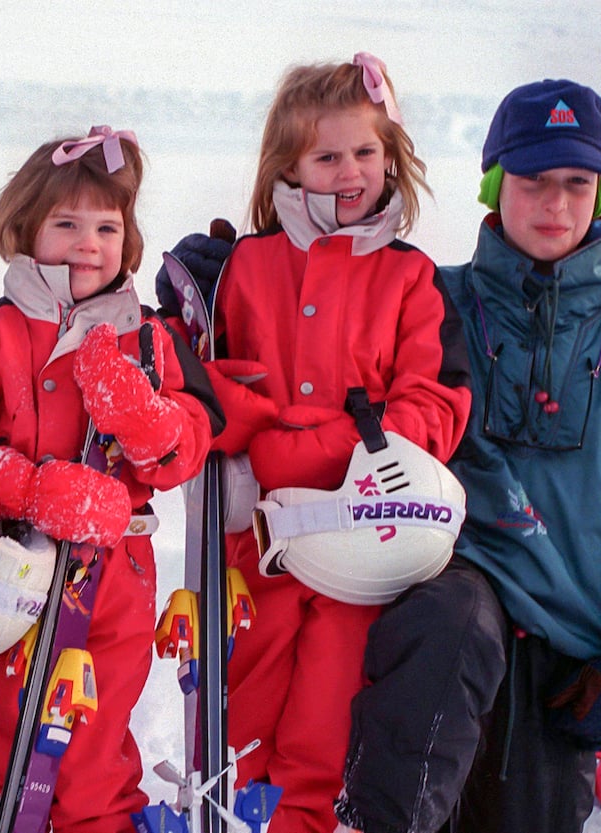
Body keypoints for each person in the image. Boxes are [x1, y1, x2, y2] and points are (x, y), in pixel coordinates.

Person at [333, 79, 601, 833]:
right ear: (495, 184)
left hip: (574, 652)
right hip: (446, 611)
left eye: (576, 183)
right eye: (532, 181)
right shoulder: (430, 299)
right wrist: (237, 270)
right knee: (453, 623)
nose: (555, 204)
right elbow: (326, 326)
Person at [159, 56, 473, 833]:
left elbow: (433, 405)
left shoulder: (410, 279)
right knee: (240, 717)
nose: (349, 172)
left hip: (362, 544)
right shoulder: (248, 266)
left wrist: (300, 448)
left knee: (327, 724)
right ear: (287, 167)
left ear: (391, 157)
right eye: (327, 156)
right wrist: (182, 325)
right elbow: (210, 392)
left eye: (366, 153)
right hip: (254, 552)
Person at [0, 126, 223, 833]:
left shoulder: (148, 339)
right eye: (67, 222)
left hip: (112, 581)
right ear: (26, 228)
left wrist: (146, 419)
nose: (88, 242)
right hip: (7, 575)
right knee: (4, 740)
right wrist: (28, 486)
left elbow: (195, 439)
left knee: (92, 746)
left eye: (107, 226)